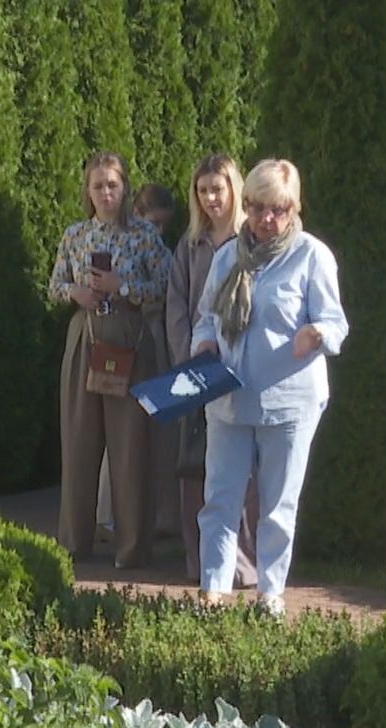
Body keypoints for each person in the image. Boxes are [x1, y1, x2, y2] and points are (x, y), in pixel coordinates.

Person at [189, 159, 348, 613]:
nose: (266, 220)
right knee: (219, 499)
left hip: (288, 400)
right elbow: (206, 316)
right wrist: (203, 345)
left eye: (277, 209)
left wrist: (315, 334)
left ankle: (270, 595)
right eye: (257, 208)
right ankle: (213, 590)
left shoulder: (311, 256)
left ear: (294, 207)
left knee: (278, 505)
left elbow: (336, 322)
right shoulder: (227, 257)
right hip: (228, 399)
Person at [49, 151, 171, 568]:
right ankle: (73, 543)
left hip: (129, 341)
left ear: (124, 188)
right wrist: (74, 293)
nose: (105, 193)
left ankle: (132, 548)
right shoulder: (75, 235)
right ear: (88, 190)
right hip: (86, 337)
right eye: (98, 185)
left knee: (130, 446)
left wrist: (123, 285)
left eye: (112, 185)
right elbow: (54, 283)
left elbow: (163, 287)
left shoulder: (143, 236)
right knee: (79, 441)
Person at [166, 154, 258, 585]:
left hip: (241, 366)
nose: (210, 199)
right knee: (193, 465)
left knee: (243, 468)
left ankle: (245, 563)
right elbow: (179, 304)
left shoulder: (251, 238)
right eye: (203, 191)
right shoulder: (190, 243)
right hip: (197, 366)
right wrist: (187, 355)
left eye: (217, 189)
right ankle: (199, 561)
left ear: (234, 189)